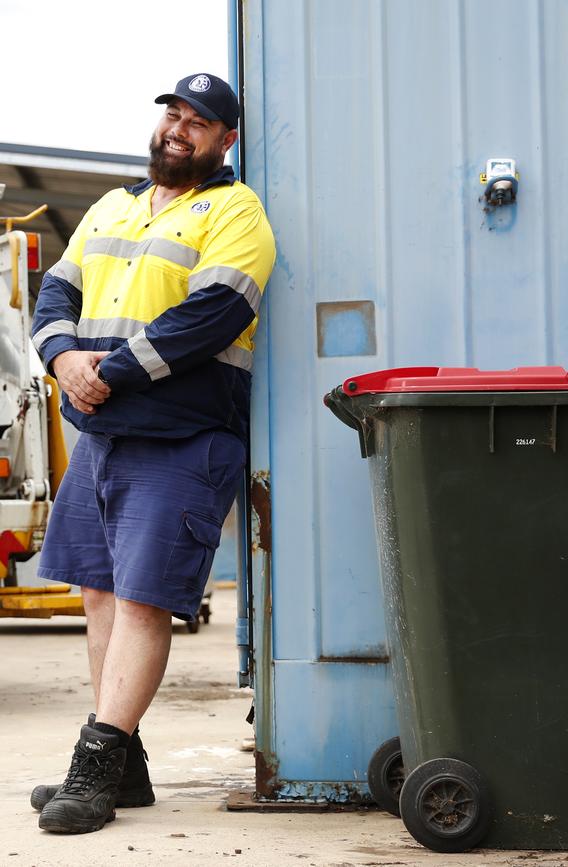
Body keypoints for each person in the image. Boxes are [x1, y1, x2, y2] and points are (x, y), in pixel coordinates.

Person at [29, 73, 276, 835]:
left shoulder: (237, 211)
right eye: (173, 112)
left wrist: (109, 371)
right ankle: (125, 764)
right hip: (101, 433)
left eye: (199, 120)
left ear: (225, 139)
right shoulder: (114, 203)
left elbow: (216, 311)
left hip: (182, 434)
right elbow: (53, 294)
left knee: (141, 599)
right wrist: (64, 359)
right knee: (99, 593)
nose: (179, 126)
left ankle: (94, 767)